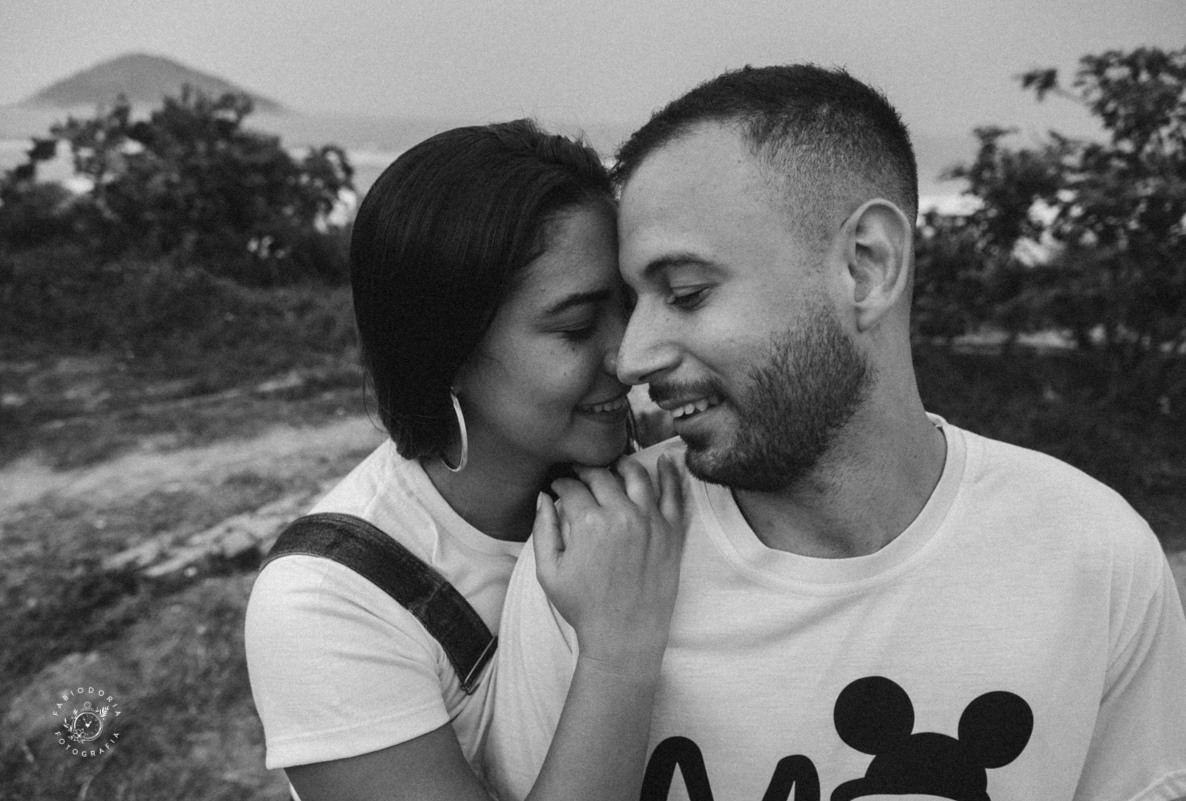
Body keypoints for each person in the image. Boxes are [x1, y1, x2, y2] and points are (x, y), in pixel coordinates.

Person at [484, 66, 1186, 801]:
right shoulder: (596, 555)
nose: (633, 357)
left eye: (687, 293)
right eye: (637, 301)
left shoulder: (1091, 558)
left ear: (867, 266)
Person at [245, 119, 684, 801]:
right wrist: (619, 651)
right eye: (575, 325)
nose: (632, 353)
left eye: (629, 304)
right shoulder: (330, 603)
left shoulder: (648, 482)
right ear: (445, 351)